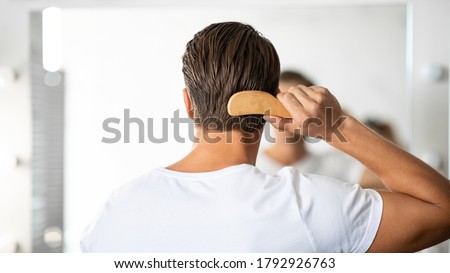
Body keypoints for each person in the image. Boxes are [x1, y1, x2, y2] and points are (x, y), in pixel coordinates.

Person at [80, 21, 450, 253]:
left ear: (188, 104)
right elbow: (443, 211)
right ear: (270, 106)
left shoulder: (116, 211)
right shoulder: (308, 206)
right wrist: (338, 124)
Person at [257, 71, 364, 184]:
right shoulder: (251, 167)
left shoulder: (336, 164)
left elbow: (383, 170)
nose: (286, 113)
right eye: (279, 104)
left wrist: (344, 123)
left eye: (297, 103)